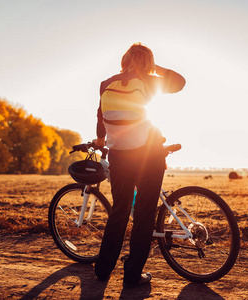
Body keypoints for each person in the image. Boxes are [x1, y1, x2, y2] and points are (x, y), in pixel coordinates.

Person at [93, 42, 185, 288]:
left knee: (119, 211)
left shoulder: (106, 83)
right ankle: (132, 275)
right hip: (149, 156)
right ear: (148, 63)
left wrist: (101, 140)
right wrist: (156, 68)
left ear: (125, 60)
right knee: (143, 217)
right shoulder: (151, 81)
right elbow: (180, 82)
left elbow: (100, 117)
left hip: (119, 156)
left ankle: (102, 270)